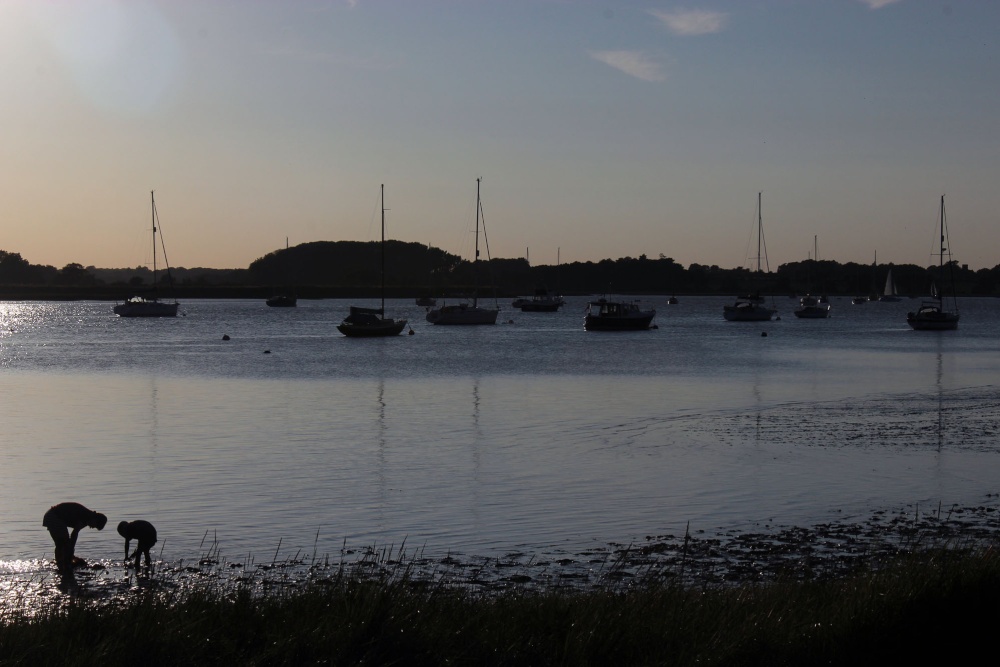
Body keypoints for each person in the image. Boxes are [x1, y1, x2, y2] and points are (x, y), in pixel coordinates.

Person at [42, 502, 108, 573]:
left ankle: (61, 565)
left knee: (61, 544)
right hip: (53, 516)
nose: (92, 527)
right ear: (95, 519)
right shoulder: (85, 516)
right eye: (95, 526)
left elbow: (74, 536)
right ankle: (63, 565)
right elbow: (74, 534)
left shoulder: (88, 518)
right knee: (62, 543)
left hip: (52, 516)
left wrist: (70, 552)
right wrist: (70, 551)